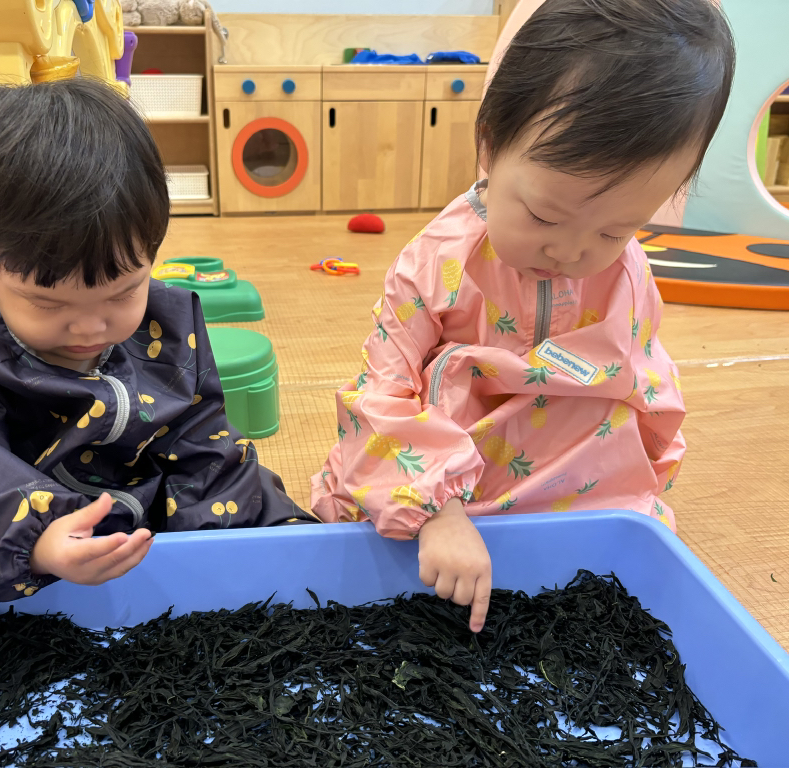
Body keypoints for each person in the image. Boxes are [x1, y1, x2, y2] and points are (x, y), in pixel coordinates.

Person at [0, 77, 317, 758]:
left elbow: (202, 442)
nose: (92, 327)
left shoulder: (168, 324)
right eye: (48, 303)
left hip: (138, 523)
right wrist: (33, 534)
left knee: (283, 559)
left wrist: (269, 540)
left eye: (123, 291)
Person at [312, 0, 735, 634]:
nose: (571, 252)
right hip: (454, 482)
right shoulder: (436, 262)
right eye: (543, 216)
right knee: (359, 531)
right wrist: (435, 511)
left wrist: (647, 482)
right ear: (489, 144)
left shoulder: (627, 274)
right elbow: (381, 390)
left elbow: (646, 385)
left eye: (616, 230)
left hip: (576, 487)